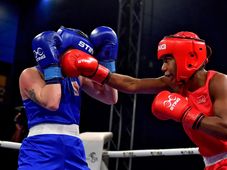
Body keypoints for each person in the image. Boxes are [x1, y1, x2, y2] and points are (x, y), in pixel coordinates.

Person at [61, 31, 227, 170]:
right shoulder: (174, 83)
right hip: (212, 162)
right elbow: (133, 84)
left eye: (167, 60)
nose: (163, 68)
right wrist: (96, 71)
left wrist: (187, 114)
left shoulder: (218, 82)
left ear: (187, 57)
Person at [18, 26, 118, 169]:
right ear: (57, 51)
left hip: (74, 147)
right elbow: (52, 102)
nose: (77, 59)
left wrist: (108, 62)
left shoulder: (77, 77)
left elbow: (110, 98)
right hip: (42, 147)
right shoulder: (30, 74)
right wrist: (53, 65)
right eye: (75, 55)